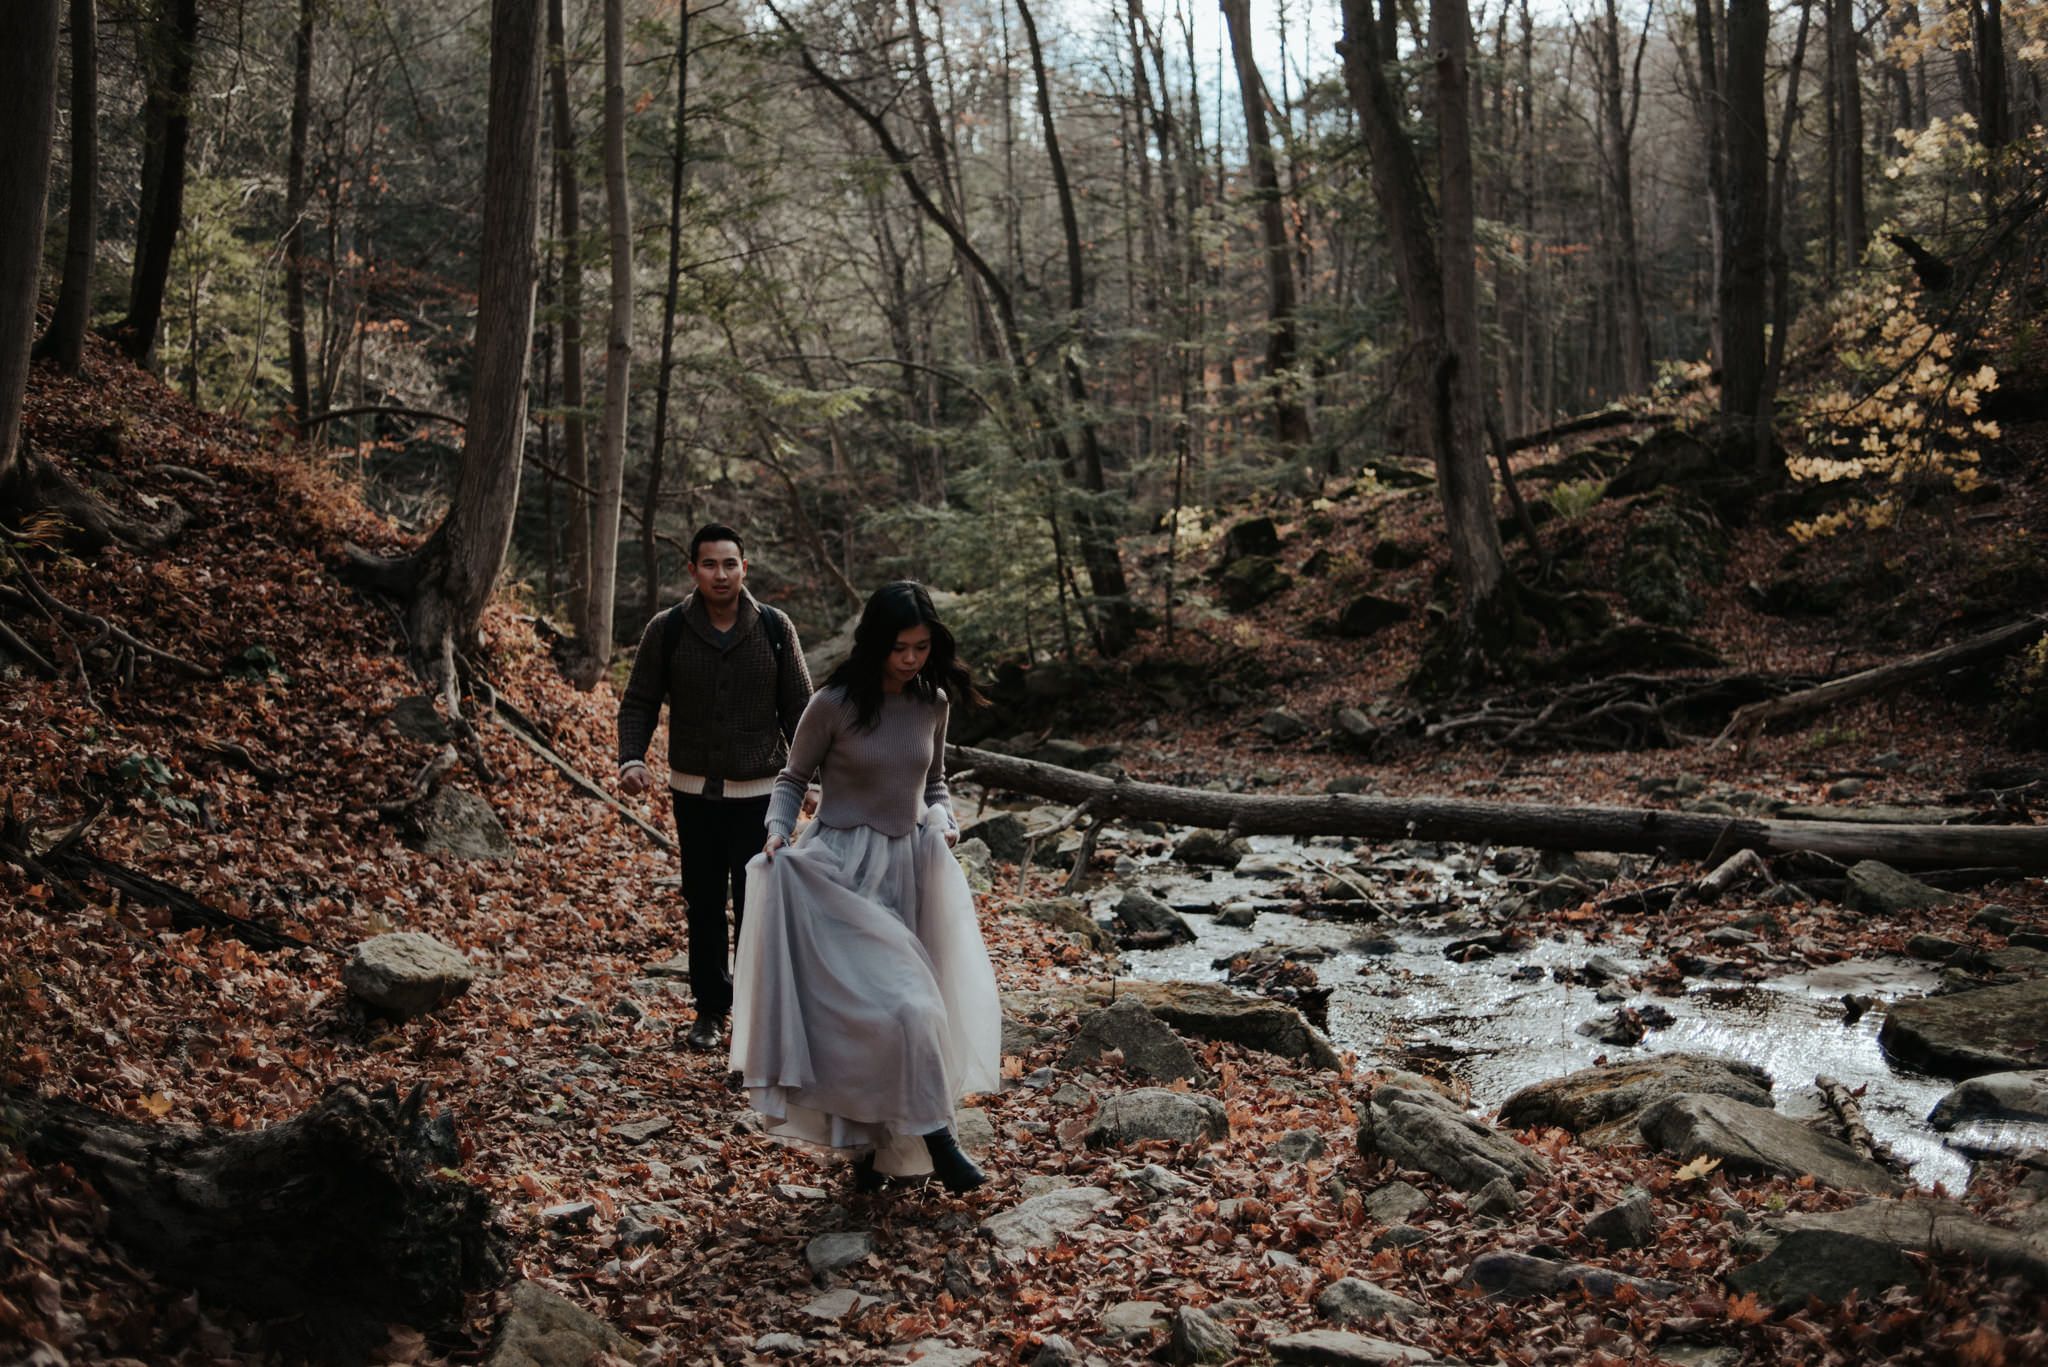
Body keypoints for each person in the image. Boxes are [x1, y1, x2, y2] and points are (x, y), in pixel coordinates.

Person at [730, 581, 1001, 1193]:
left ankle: (874, 1154)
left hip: (905, 872)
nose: (911, 659)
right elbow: (792, 778)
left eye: (922, 647)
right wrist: (777, 832)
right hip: (836, 874)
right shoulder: (833, 703)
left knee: (893, 1016)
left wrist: (946, 820)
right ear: (875, 643)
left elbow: (934, 784)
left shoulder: (932, 701)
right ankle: (940, 1140)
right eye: (901, 647)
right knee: (898, 1009)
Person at [617, 524, 812, 1051]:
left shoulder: (775, 627)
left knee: (758, 906)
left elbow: (801, 708)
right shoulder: (669, 629)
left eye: (730, 564)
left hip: (763, 798)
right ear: (693, 571)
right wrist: (631, 758)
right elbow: (639, 701)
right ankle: (709, 1010)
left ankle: (755, 1013)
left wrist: (811, 779)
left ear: (744, 568)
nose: (720, 574)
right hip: (693, 794)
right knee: (702, 902)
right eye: (710, 564)